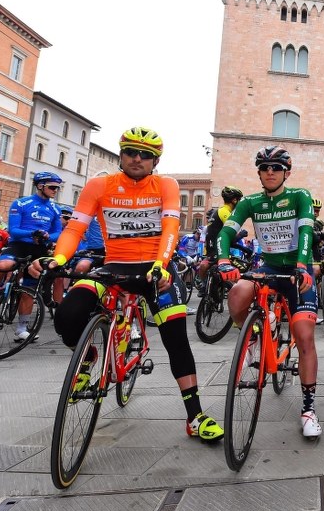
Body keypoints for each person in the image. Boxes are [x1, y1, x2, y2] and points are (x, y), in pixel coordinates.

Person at [38, 127, 224, 442]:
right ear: (121, 154)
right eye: (131, 152)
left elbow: (170, 227)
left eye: (145, 155)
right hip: (113, 266)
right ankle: (89, 358)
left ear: (155, 161)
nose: (137, 159)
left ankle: (195, 416)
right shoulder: (99, 185)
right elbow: (75, 228)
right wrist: (57, 259)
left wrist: (161, 265)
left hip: (155, 268)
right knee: (67, 315)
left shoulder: (165, 184)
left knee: (176, 338)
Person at [215, 145, 322, 438]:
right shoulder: (250, 202)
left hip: (298, 271)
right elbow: (226, 232)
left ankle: (309, 409)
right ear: (259, 173)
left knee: (304, 336)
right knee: (237, 292)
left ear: (286, 171)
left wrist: (302, 265)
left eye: (276, 167)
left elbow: (305, 232)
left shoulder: (299, 196)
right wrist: (223, 260)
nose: (270, 172)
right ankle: (252, 339)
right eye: (265, 168)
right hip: (270, 268)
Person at [0, 171, 63, 340]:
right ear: (40, 186)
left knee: (29, 291)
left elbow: (58, 233)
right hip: (18, 245)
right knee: (3, 266)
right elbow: (14, 231)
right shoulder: (21, 203)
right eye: (52, 187)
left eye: (57, 188)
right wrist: (33, 233)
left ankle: (22, 329)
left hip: (39, 250)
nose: (55, 191)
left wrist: (47, 236)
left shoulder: (55, 208)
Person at [198, 186, 243, 296]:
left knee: (204, 266)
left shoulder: (218, 211)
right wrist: (241, 235)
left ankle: (204, 286)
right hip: (218, 251)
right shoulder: (226, 212)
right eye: (239, 200)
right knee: (242, 270)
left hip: (210, 251)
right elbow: (232, 235)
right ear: (234, 200)